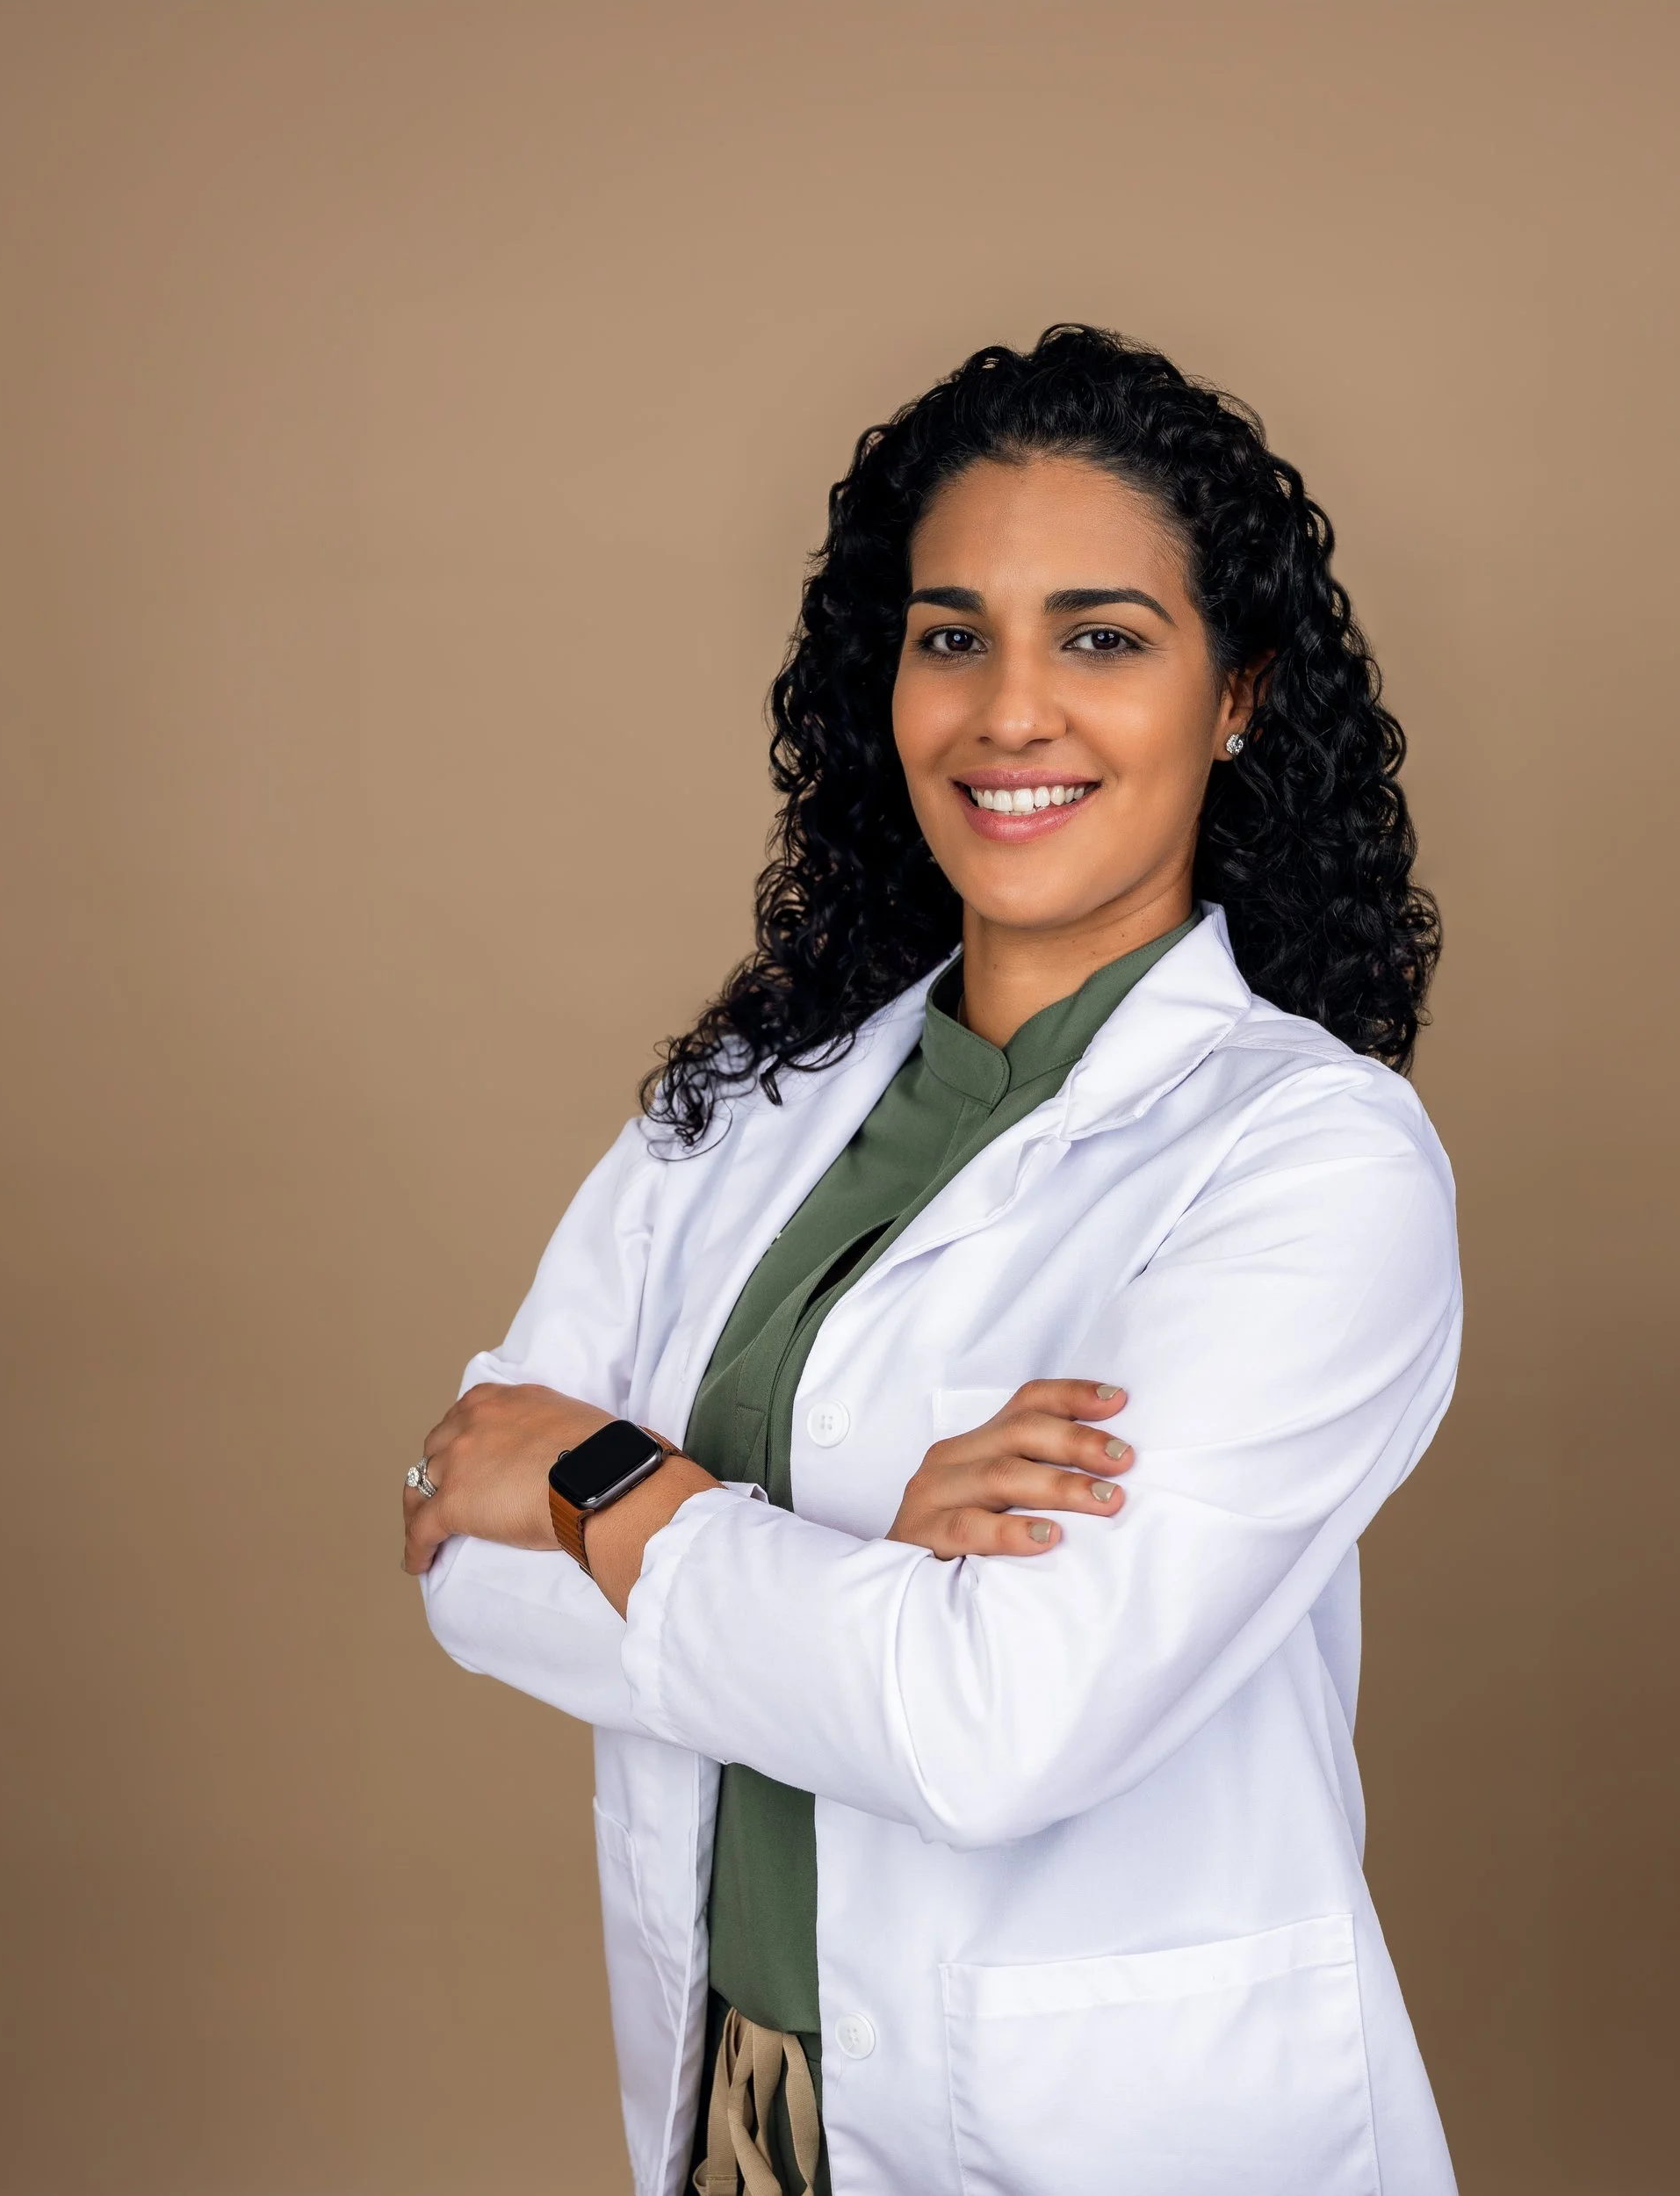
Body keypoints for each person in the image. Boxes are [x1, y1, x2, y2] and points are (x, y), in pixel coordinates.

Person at [403, 325, 1461, 2196]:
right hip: (744, 2099)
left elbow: (998, 1726)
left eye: (1103, 638)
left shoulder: (1313, 1157)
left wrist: (610, 1486)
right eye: (952, 636)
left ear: (1236, 695)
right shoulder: (754, 1101)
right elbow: (461, 1554)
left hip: (1107, 2127)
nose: (1009, 712)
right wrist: (865, 1551)